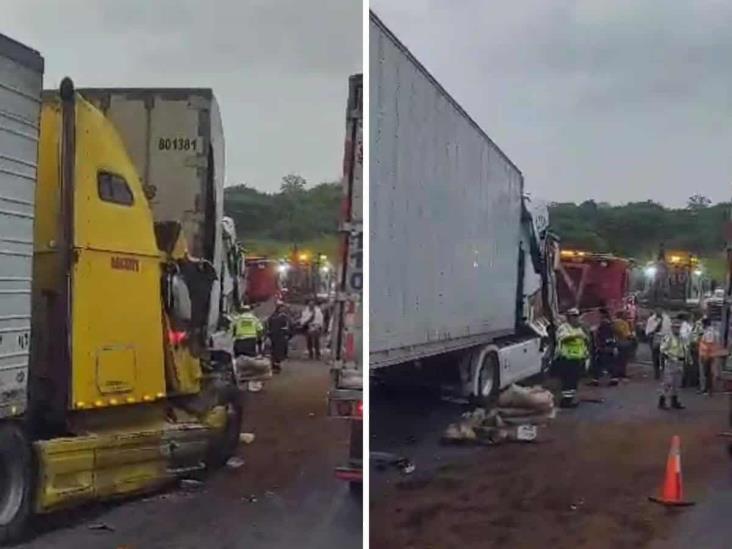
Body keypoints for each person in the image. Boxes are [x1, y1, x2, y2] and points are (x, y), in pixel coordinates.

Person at [555, 308, 590, 408]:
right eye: (573, 316)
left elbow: (583, 343)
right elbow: (562, 338)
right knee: (568, 381)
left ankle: (569, 400)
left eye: (577, 316)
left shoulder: (579, 328)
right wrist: (576, 335)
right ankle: (565, 402)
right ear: (568, 318)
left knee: (574, 381)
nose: (576, 318)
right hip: (567, 359)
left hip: (577, 359)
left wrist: (586, 354)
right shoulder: (564, 327)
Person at [658, 320, 687, 410]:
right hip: (671, 362)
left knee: (677, 383)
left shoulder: (681, 338)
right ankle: (662, 402)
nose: (677, 329)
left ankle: (674, 401)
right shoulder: (669, 337)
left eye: (678, 327)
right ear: (672, 328)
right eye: (675, 327)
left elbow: (684, 349)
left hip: (680, 362)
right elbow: (662, 349)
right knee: (668, 382)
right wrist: (669, 357)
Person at [592, 308, 618, 386]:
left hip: (604, 347)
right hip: (609, 346)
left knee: (600, 363)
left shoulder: (604, 324)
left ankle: (596, 380)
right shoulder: (610, 324)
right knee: (610, 363)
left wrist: (599, 345)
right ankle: (613, 378)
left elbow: (603, 337)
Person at [645, 309, 671, 380]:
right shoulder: (651, 319)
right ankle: (657, 373)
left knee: (664, 356)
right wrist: (651, 336)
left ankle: (663, 371)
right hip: (654, 339)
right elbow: (648, 331)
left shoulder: (666, 319)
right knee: (655, 356)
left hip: (664, 339)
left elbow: (669, 330)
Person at [698, 317, 720, 396]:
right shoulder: (713, 331)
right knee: (709, 373)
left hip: (707, 356)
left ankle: (707, 389)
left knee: (707, 373)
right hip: (711, 355)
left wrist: (706, 357)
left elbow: (708, 345)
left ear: (705, 324)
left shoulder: (709, 333)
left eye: (702, 324)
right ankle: (709, 389)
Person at [267, 302, 290, 373]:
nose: (282, 309)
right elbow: (269, 324)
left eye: (283, 308)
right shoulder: (273, 316)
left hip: (281, 336)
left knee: (279, 351)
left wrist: (286, 334)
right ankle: (273, 365)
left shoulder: (284, 317)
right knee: (273, 351)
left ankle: (277, 366)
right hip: (273, 335)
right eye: (281, 307)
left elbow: (287, 326)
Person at [612, 310, 635, 380]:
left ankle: (622, 373)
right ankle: (619, 373)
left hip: (625, 342)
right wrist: (630, 336)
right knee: (620, 359)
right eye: (625, 314)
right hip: (621, 343)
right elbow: (622, 333)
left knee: (624, 359)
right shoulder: (618, 322)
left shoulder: (625, 322)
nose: (627, 316)